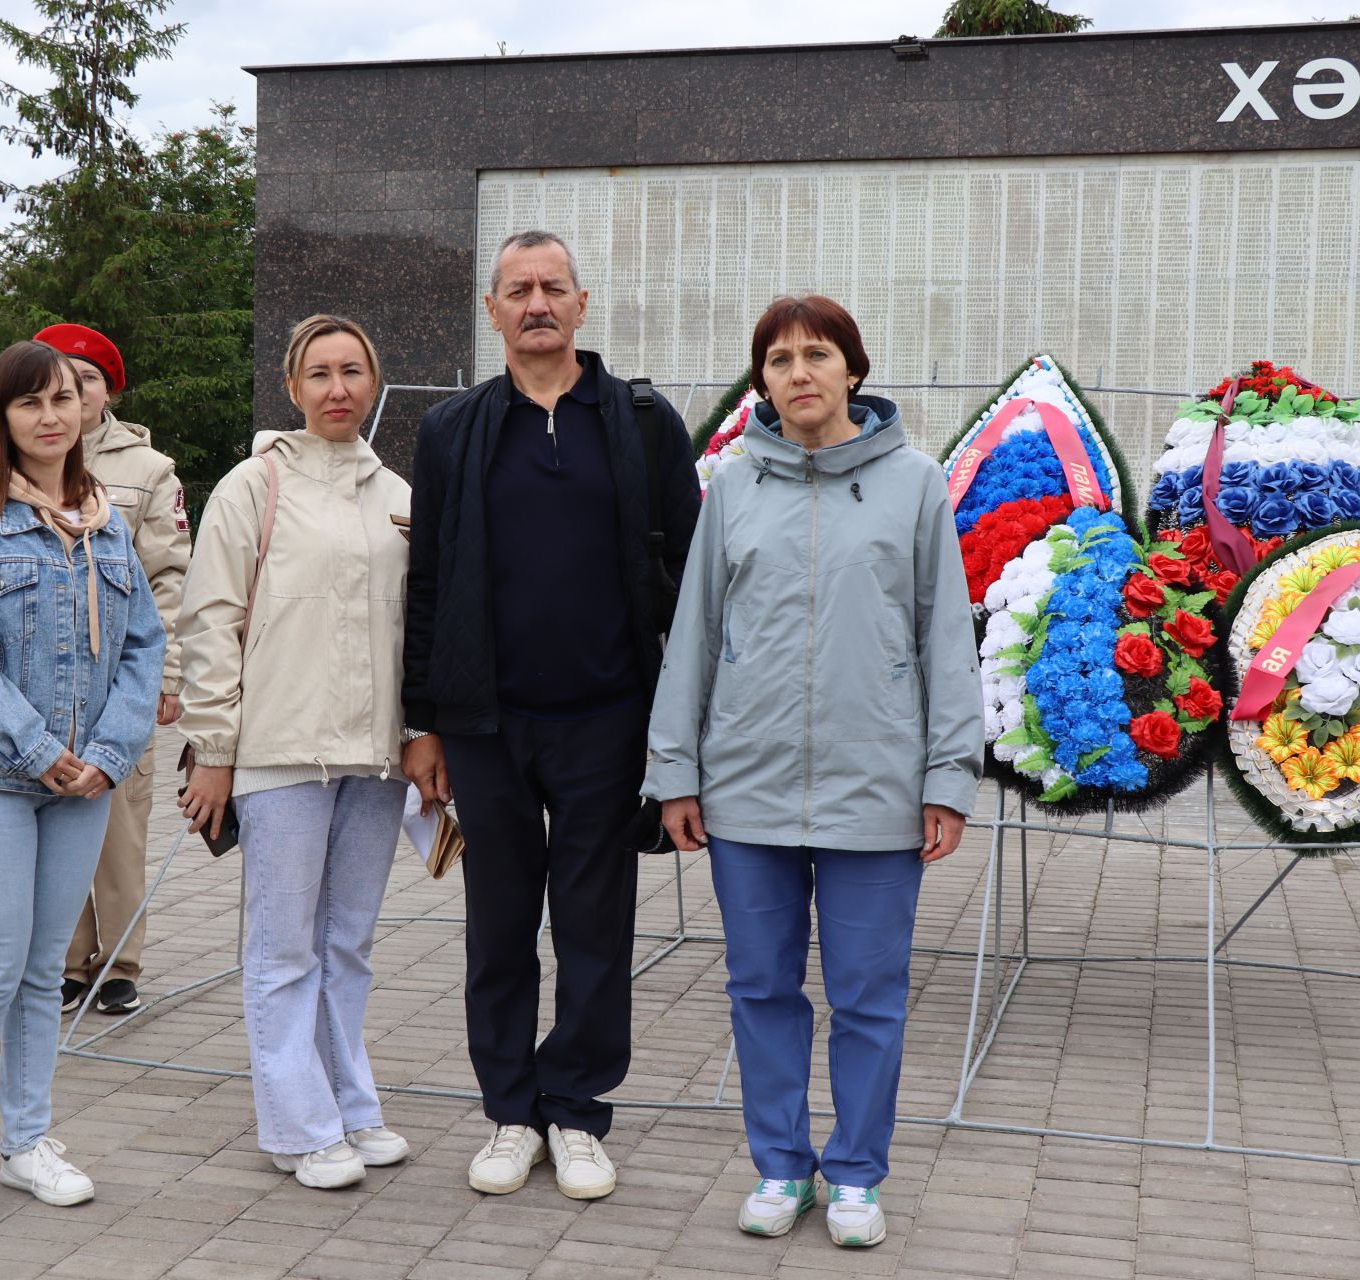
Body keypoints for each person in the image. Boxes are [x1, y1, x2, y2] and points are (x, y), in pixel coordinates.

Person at [643, 295, 983, 1248]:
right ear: (762, 381)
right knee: (760, 987)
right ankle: (782, 1166)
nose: (799, 373)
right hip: (744, 791)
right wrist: (676, 771)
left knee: (869, 993)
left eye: (818, 355)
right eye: (780, 359)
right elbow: (696, 638)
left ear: (853, 372)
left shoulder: (917, 485)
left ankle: (858, 1176)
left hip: (877, 791)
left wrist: (947, 777)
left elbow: (946, 641)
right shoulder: (734, 489)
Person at [401, 230, 701, 1200]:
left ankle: (575, 1109)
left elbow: (690, 584)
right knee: (496, 927)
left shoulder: (645, 422)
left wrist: (681, 728)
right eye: (517, 289)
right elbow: (430, 581)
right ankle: (508, 1110)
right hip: (486, 723)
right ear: (491, 310)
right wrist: (423, 722)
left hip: (606, 720)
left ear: (582, 304)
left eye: (552, 287)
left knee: (593, 925)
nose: (536, 302)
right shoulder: (452, 430)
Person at [0, 340, 165, 1227]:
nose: (52, 416)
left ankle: (25, 1142)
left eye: (65, 399)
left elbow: (144, 645)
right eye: (31, 404)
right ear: (3, 416)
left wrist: (110, 748)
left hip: (86, 781)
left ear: (87, 410)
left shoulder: (106, 519)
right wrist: (34, 747)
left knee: (40, 973)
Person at [178, 315, 414, 1190]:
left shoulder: (396, 491)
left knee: (346, 943)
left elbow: (409, 629)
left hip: (376, 755)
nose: (338, 388)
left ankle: (349, 1105)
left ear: (373, 381)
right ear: (293, 386)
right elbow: (210, 620)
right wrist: (214, 747)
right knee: (284, 949)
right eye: (320, 373)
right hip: (280, 752)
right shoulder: (253, 485)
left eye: (353, 371)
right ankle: (297, 1125)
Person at [34, 323, 190, 1019]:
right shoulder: (21, 462)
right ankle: (66, 963)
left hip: (121, 677)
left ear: (107, 392)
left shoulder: (149, 471)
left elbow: (170, 578)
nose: (71, 394)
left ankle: (120, 961)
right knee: (51, 814)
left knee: (120, 830)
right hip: (42, 676)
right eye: (57, 381)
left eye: (86, 380)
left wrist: (167, 675)